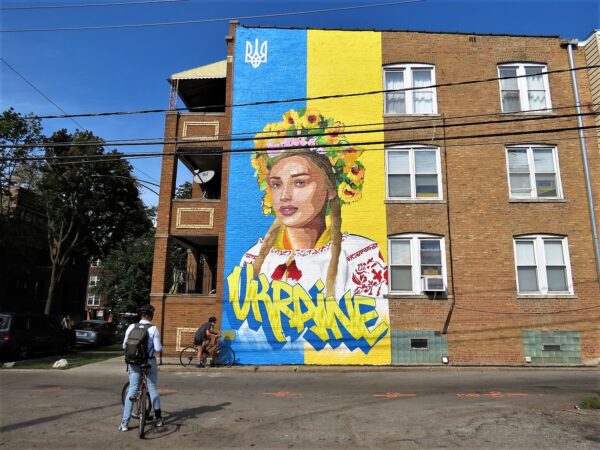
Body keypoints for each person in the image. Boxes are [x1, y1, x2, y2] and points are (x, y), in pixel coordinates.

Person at [119, 304, 163, 431]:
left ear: (141, 315)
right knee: (153, 389)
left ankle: (124, 423)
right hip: (149, 362)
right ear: (151, 315)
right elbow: (157, 348)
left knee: (132, 390)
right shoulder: (153, 328)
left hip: (134, 362)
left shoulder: (132, 326)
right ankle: (158, 419)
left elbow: (124, 346)